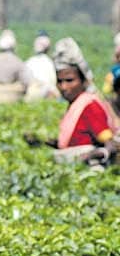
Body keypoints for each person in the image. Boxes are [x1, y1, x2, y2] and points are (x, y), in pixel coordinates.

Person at [25, 37, 117, 169]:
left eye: (69, 80)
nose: (64, 87)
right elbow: (75, 141)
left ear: (83, 81)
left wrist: (91, 155)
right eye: (60, 81)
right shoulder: (75, 104)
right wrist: (44, 142)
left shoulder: (90, 106)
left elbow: (111, 145)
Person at [24, 31, 58, 101]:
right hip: (45, 93)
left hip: (31, 93)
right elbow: (53, 82)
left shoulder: (29, 62)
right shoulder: (50, 63)